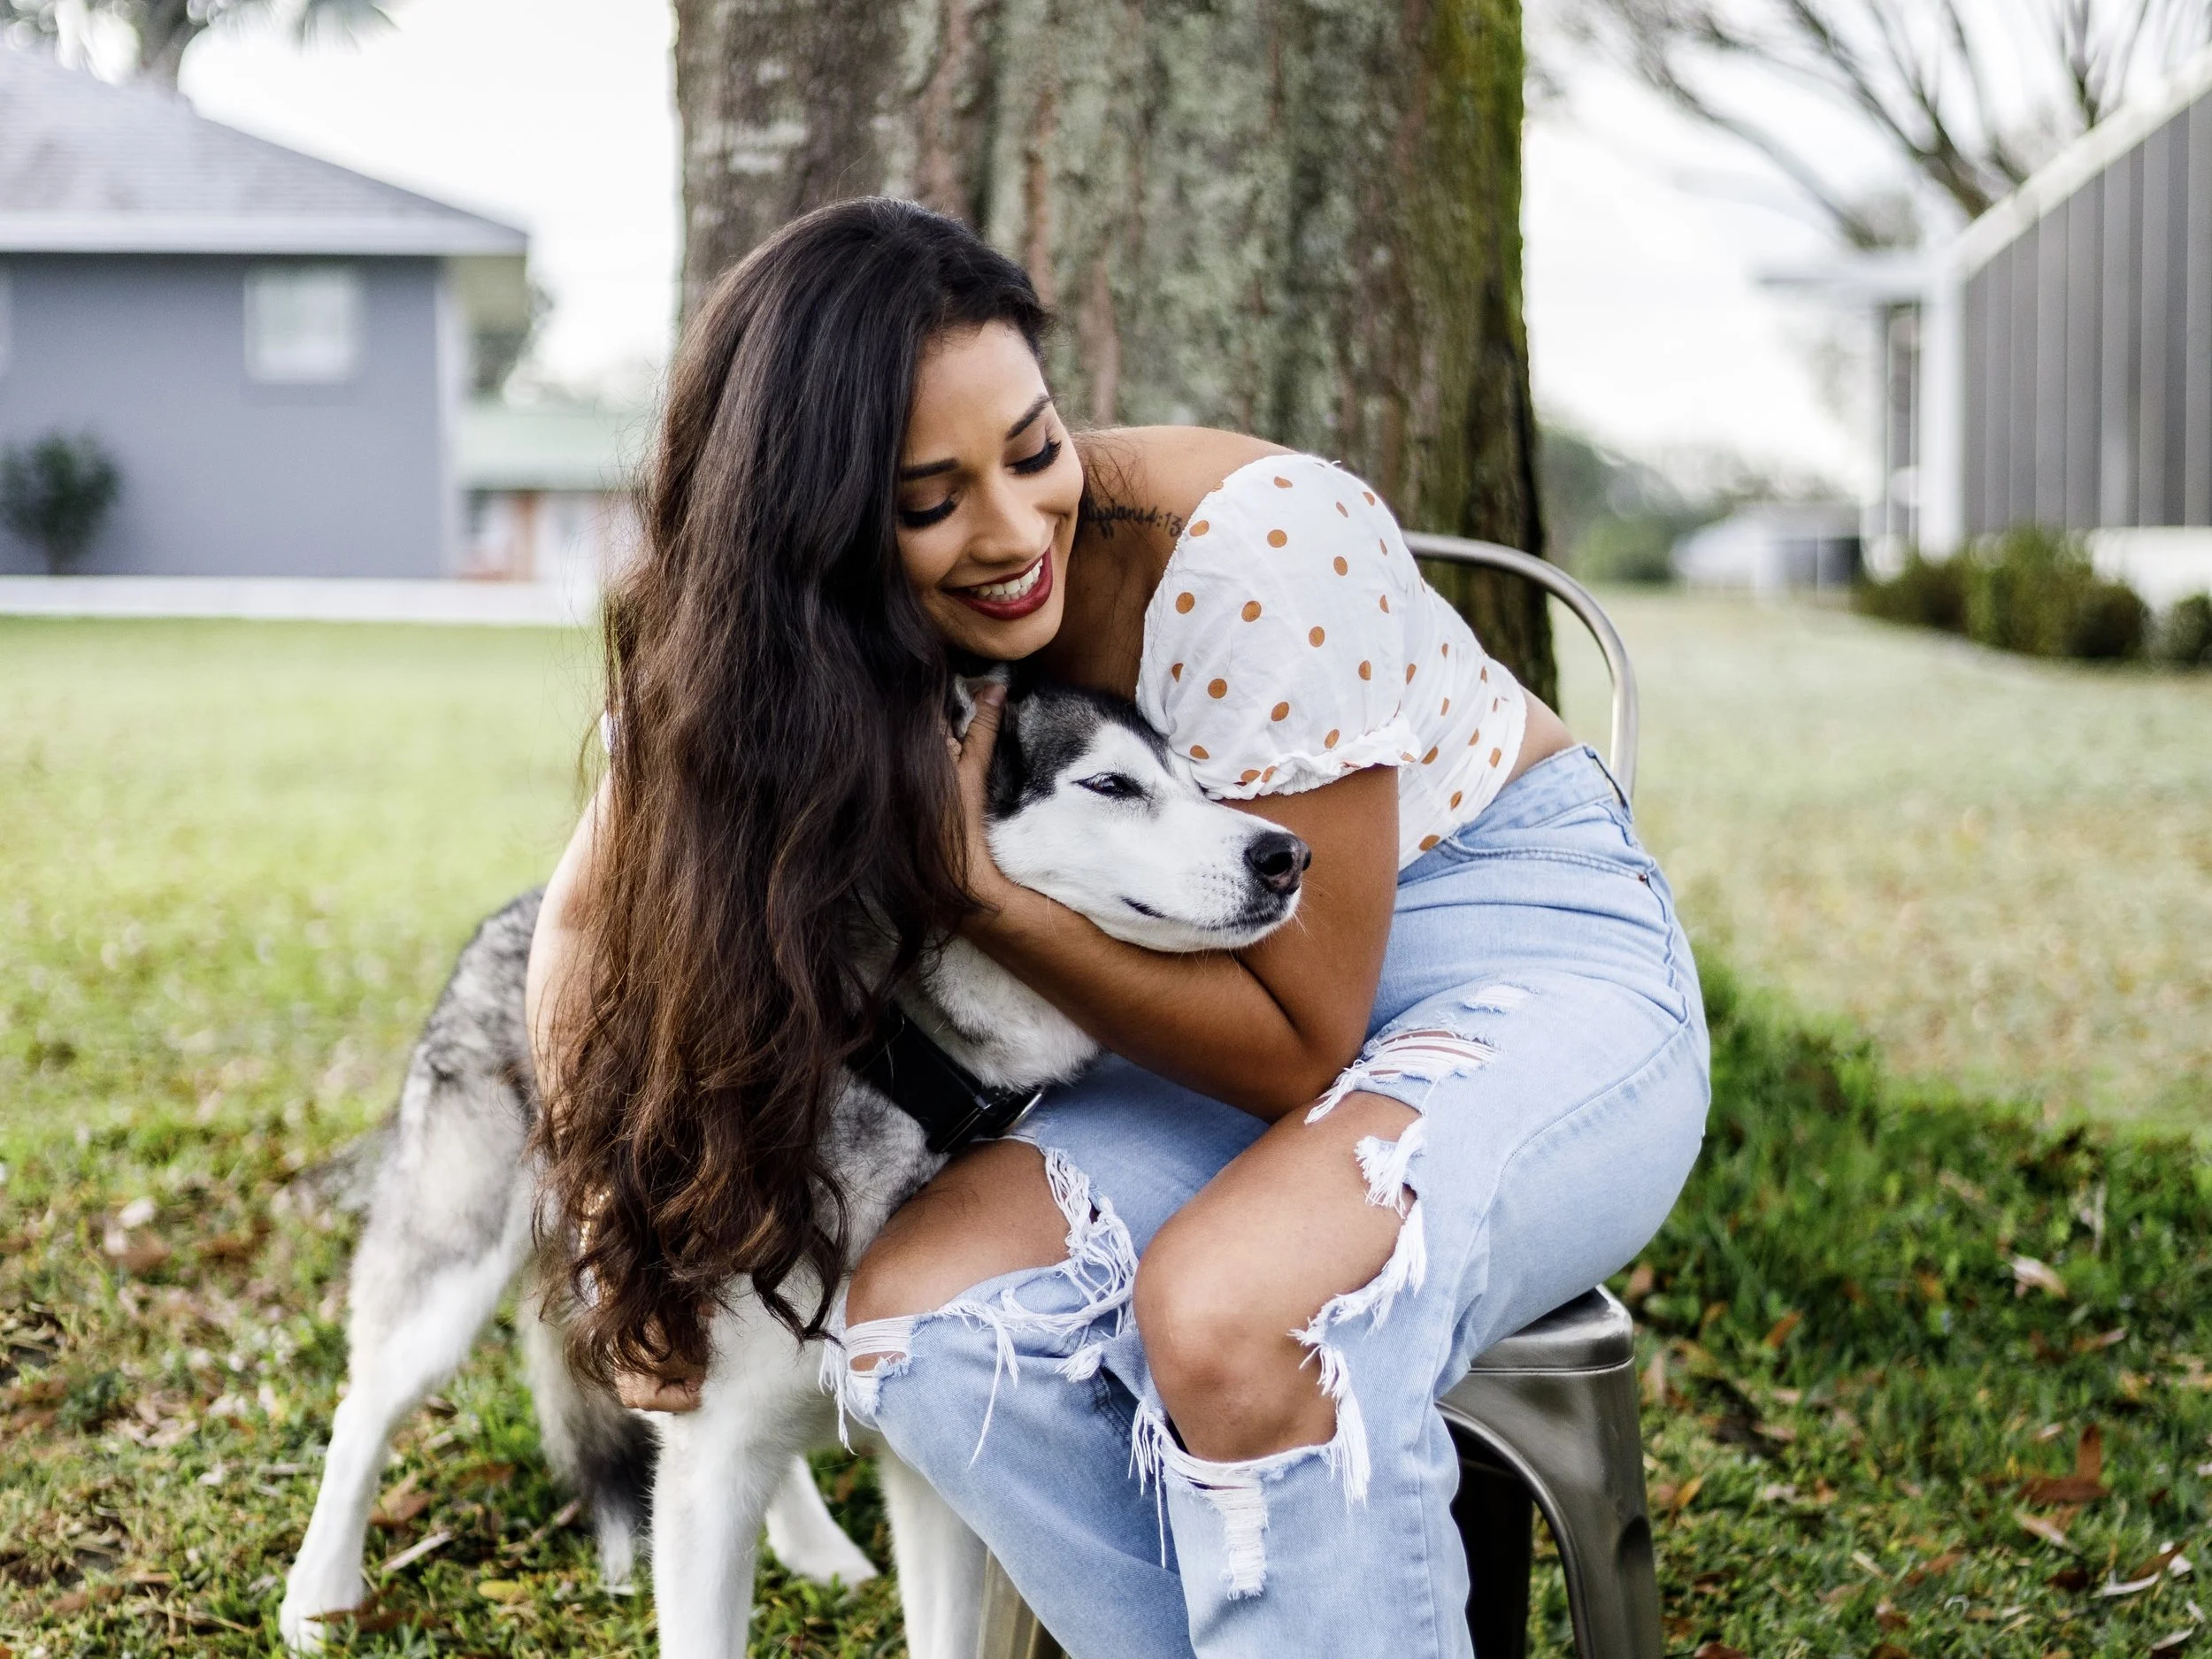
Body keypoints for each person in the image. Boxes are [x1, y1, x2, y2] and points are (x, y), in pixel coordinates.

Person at [525, 196, 1709, 1659]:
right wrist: (611, 1245)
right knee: (936, 1333)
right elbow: (587, 917)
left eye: (1036, 448)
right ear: (817, 531)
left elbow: (1300, 1044)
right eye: (929, 498)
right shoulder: (793, 647)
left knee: (1238, 1312)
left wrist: (979, 894)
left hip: (1514, 946)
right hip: (1174, 995)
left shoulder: (1266, 549)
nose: (1018, 530)